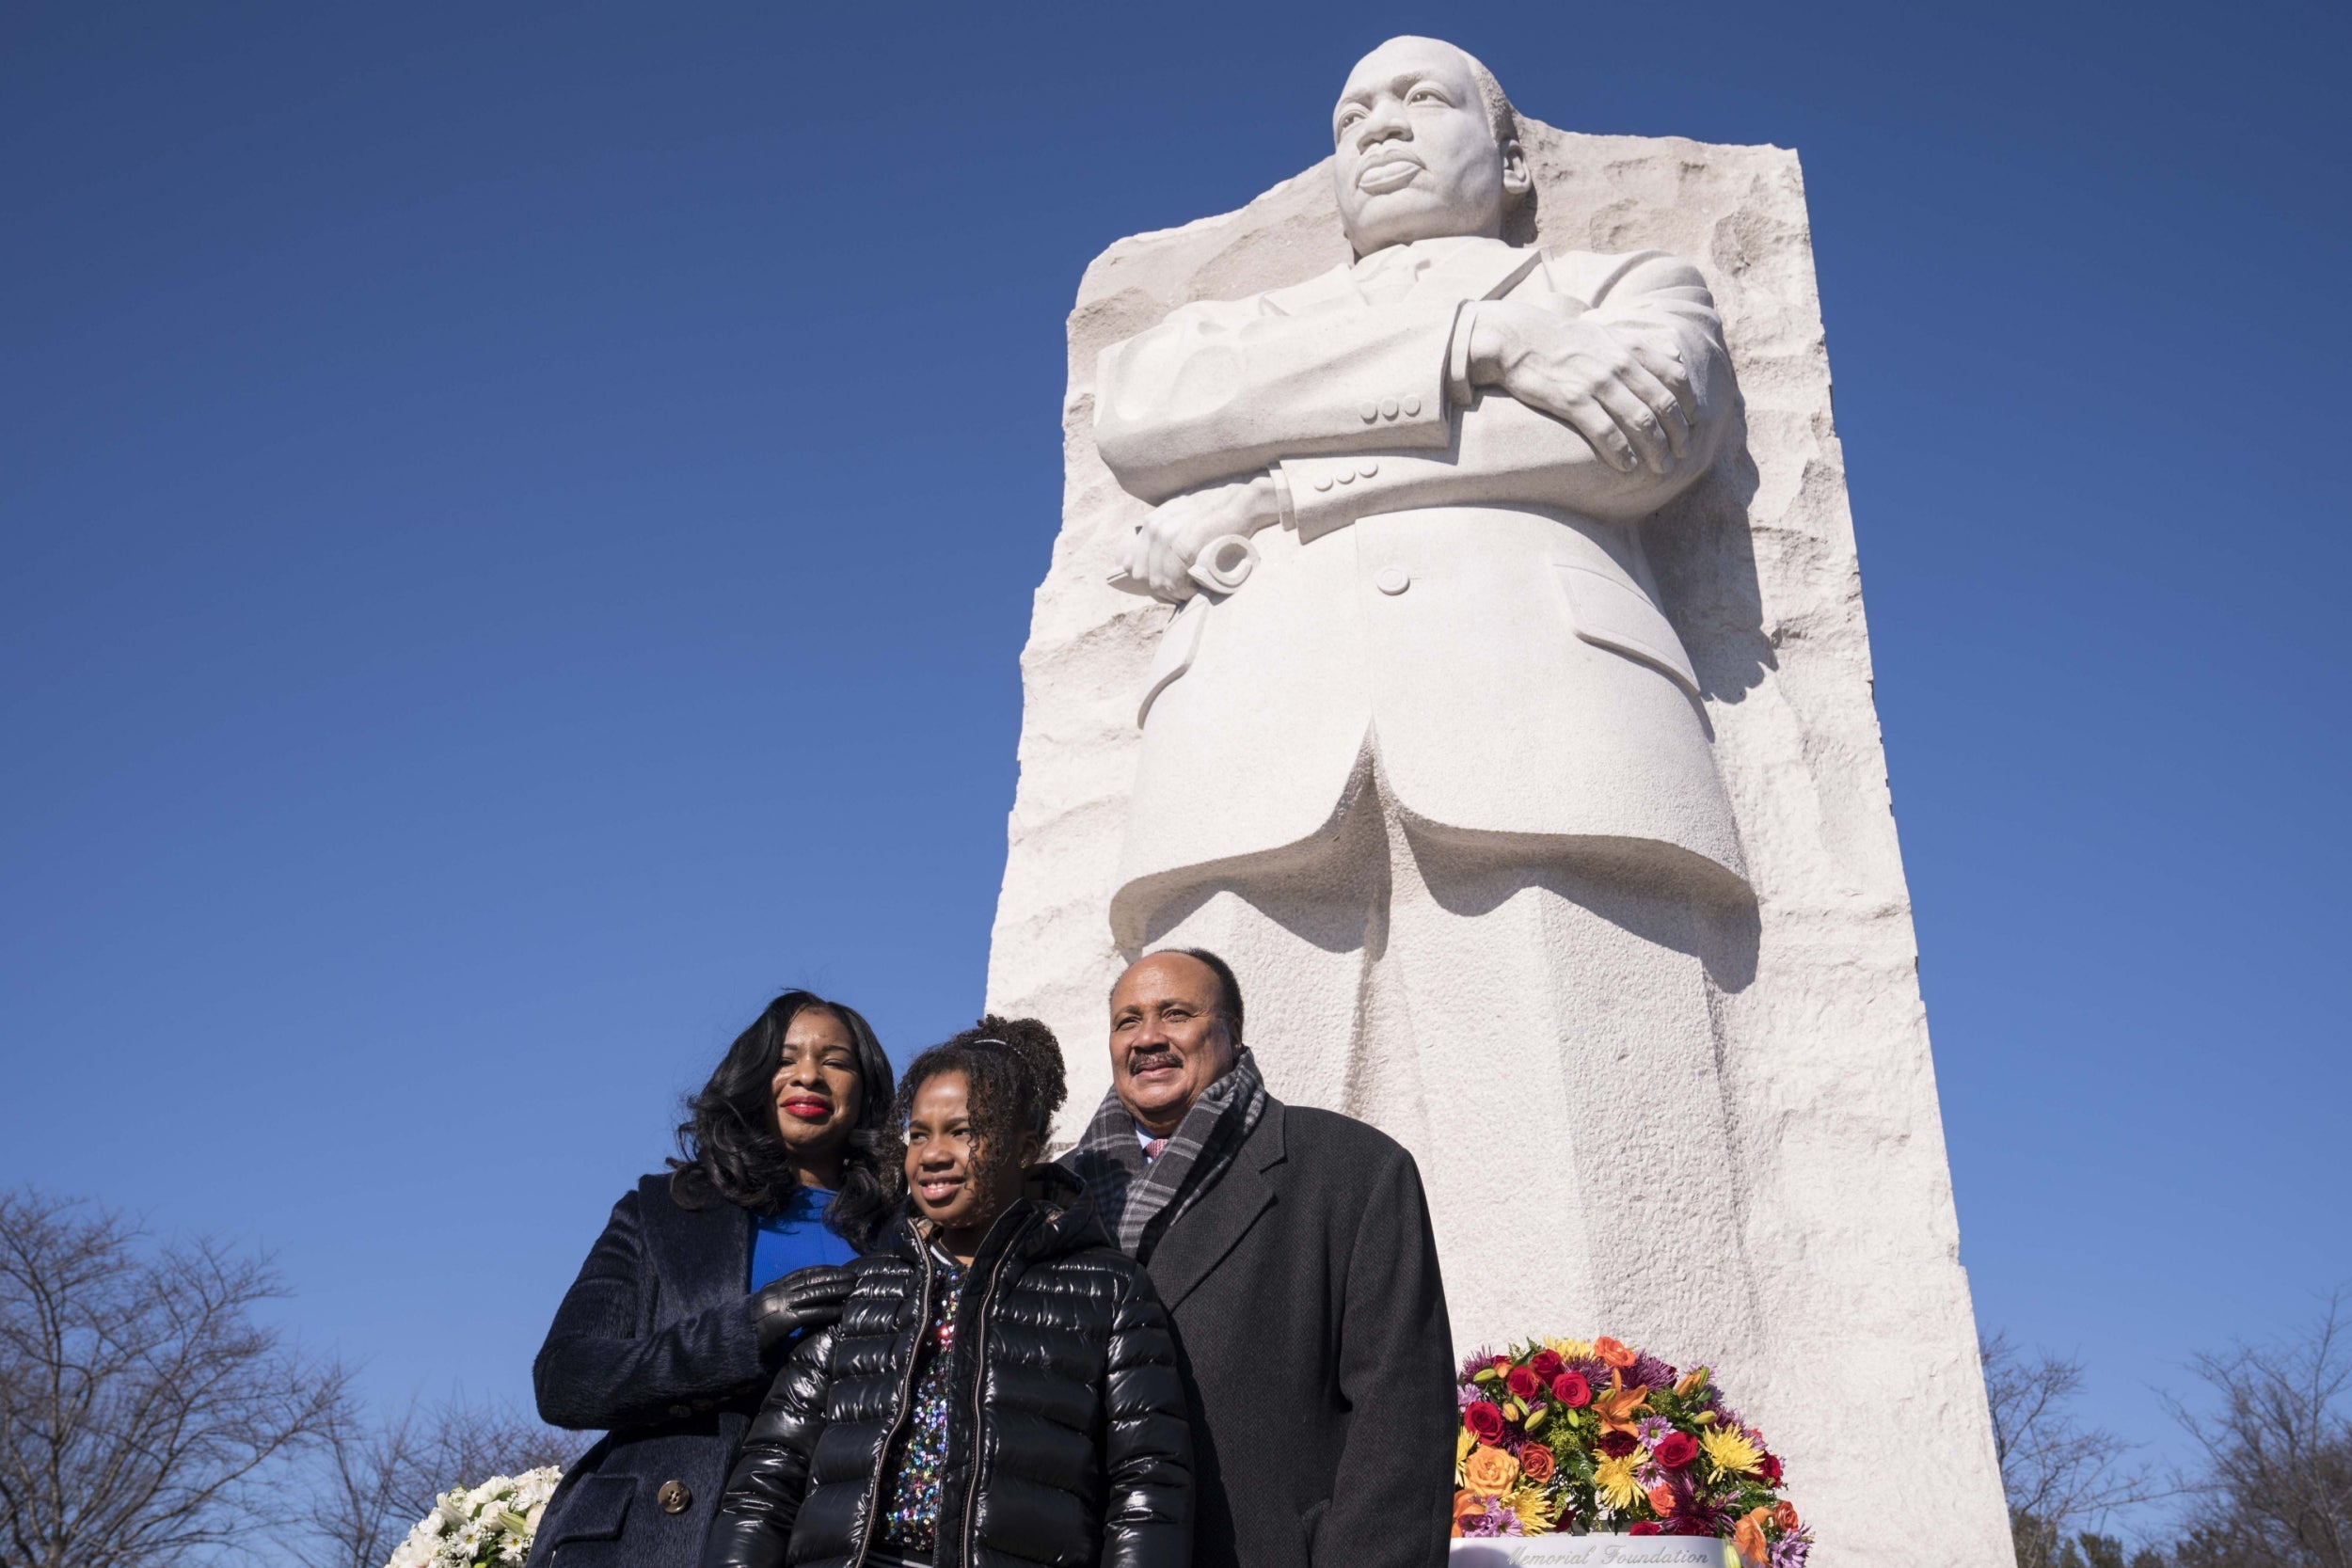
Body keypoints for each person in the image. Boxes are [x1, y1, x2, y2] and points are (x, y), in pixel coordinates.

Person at [1088, 34, 1761, 1354]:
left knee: (1583, 1166)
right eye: (1353, 112)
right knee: (1208, 1217)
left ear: (1509, 157)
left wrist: (1282, 488)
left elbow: (1636, 434)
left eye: (1422, 98)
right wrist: (1483, 342)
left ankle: (1600, 1499)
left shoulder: (1619, 279)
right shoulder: (1241, 329)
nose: (1380, 126)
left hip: (1547, 725)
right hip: (1246, 746)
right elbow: (1153, 414)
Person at [701, 1017, 1191, 1568]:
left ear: (1024, 1148)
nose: (932, 1154)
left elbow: (1149, 1487)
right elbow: (768, 1479)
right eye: (917, 1135)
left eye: (963, 1131)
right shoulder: (864, 1287)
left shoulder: (1110, 1290)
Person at [1064, 949, 1453, 1568]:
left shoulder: (1351, 1169)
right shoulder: (1051, 1199)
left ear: (1233, 1031)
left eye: (1176, 1013)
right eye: (1127, 1020)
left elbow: (1401, 1417)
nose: (1148, 1038)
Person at [527, 991, 898, 1568]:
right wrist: (742, 1332)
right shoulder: (661, 1211)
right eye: (785, 1058)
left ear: (866, 1088)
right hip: (661, 1539)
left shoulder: (905, 1233)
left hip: (839, 1536)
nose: (808, 1076)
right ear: (752, 1078)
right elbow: (564, 1379)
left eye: (836, 1061)